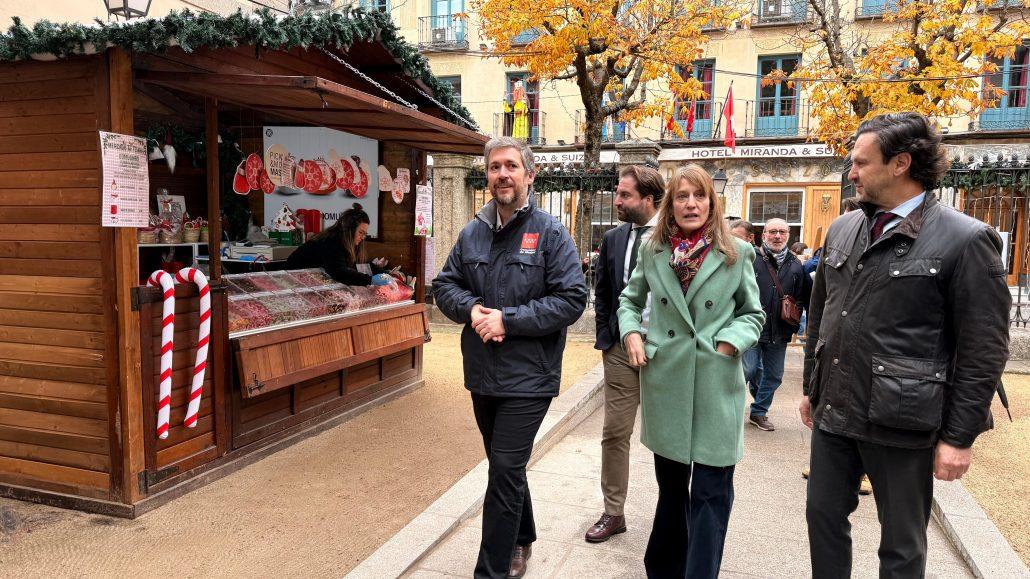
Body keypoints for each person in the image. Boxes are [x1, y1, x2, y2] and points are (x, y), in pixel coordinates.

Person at [802, 112, 1010, 577]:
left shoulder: (966, 239)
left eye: (860, 162)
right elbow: (822, 315)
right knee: (822, 520)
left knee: (901, 545)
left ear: (900, 164)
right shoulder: (842, 229)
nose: (851, 172)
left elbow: (984, 349)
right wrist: (811, 387)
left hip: (904, 422)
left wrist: (958, 437)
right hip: (835, 413)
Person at [433, 136, 587, 579]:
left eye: (511, 166)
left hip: (530, 375)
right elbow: (444, 285)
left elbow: (572, 298)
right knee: (507, 467)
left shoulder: (551, 233)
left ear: (529, 175)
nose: (502, 174)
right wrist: (471, 310)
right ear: (488, 175)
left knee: (503, 470)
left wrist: (508, 319)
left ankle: (492, 571)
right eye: (495, 167)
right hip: (483, 373)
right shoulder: (471, 231)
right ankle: (523, 537)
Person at [619, 164, 764, 579]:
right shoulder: (653, 250)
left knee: (710, 492)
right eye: (681, 196)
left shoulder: (737, 253)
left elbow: (754, 314)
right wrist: (632, 334)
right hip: (667, 380)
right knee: (671, 490)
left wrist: (729, 342)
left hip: (717, 383)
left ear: (712, 203)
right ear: (670, 203)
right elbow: (629, 301)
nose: (691, 204)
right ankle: (663, 568)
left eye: (699, 196)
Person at [585, 165, 663, 543]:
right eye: (618, 193)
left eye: (624, 195)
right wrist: (607, 336)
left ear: (648, 199)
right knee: (615, 432)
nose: (616, 200)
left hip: (667, 351)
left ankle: (675, 512)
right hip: (619, 350)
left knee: (670, 435)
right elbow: (603, 292)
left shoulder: (676, 235)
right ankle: (613, 512)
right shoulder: (614, 238)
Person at [742, 218, 811, 432]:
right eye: (772, 232)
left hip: (779, 331)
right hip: (751, 327)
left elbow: (802, 296)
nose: (777, 236)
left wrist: (794, 318)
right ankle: (729, 410)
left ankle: (759, 412)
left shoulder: (796, 264)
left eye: (782, 232)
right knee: (748, 369)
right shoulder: (751, 258)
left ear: (788, 235)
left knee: (773, 375)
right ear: (763, 235)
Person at [285, 203, 392, 286]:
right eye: (360, 232)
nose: (363, 237)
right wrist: (370, 280)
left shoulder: (349, 243)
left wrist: (385, 273)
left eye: (365, 234)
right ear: (349, 230)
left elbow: (360, 263)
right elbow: (339, 272)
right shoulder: (331, 241)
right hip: (293, 279)